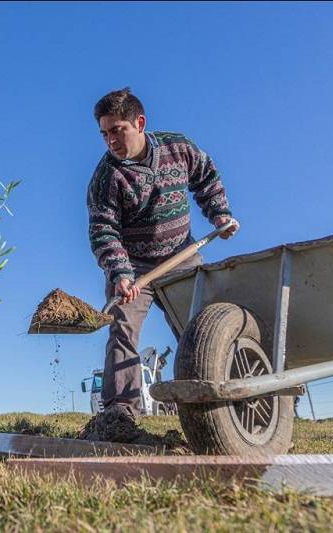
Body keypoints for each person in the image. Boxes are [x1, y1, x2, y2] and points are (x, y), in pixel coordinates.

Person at [85, 88, 237, 441]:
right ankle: (120, 413)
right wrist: (120, 273)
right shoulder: (107, 177)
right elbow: (103, 231)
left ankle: (220, 397)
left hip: (181, 255)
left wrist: (220, 214)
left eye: (117, 130)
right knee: (122, 330)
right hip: (134, 267)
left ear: (140, 123)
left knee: (198, 328)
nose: (110, 141)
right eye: (104, 133)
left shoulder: (177, 148)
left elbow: (206, 176)